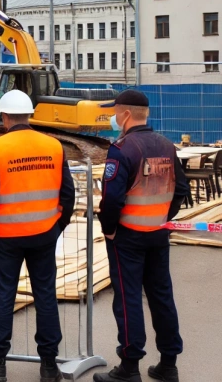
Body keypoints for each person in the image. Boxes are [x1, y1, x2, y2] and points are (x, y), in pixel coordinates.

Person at [0, 90, 75, 382]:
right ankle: (49, 366)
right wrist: (57, 226)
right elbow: (68, 193)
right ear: (30, 115)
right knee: (45, 296)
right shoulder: (53, 146)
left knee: (4, 296)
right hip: (44, 234)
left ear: (3, 117)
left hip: (6, 237)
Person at [92, 90, 189, 382]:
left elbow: (111, 200)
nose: (113, 117)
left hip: (128, 238)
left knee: (128, 298)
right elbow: (181, 190)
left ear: (124, 115)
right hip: (158, 234)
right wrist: (162, 217)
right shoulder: (166, 145)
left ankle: (129, 366)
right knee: (161, 296)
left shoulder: (122, 149)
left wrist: (109, 229)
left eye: (114, 111)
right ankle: (168, 364)